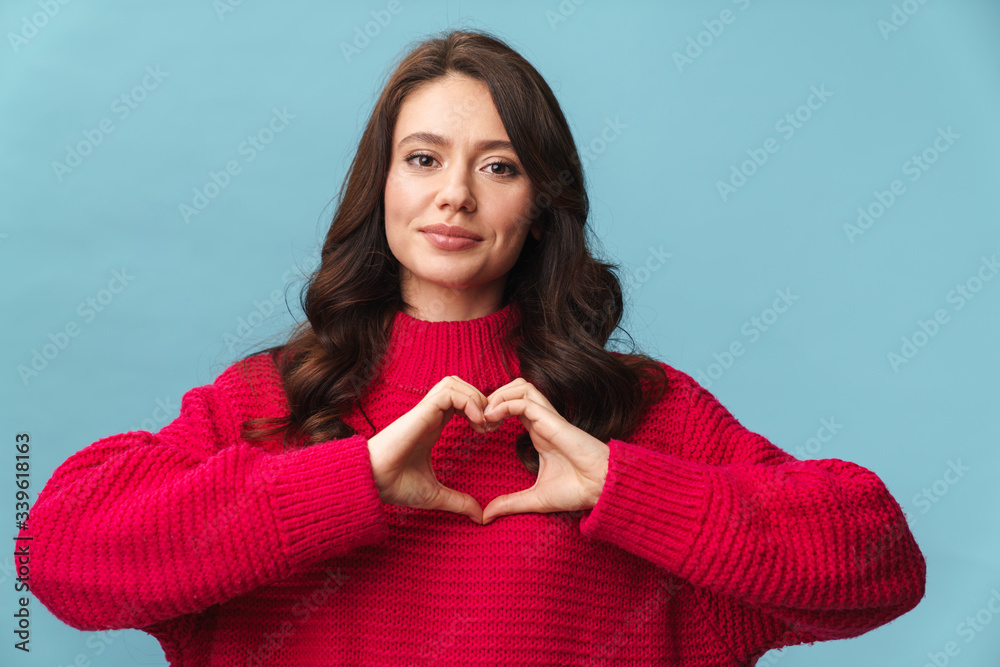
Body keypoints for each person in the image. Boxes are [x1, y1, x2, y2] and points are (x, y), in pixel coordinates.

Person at [23, 29, 926, 666]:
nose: (455, 194)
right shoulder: (269, 400)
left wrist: (624, 488)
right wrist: (347, 481)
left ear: (540, 207)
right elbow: (56, 556)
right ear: (381, 185)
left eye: (499, 166)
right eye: (423, 158)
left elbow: (878, 558)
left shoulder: (635, 411)